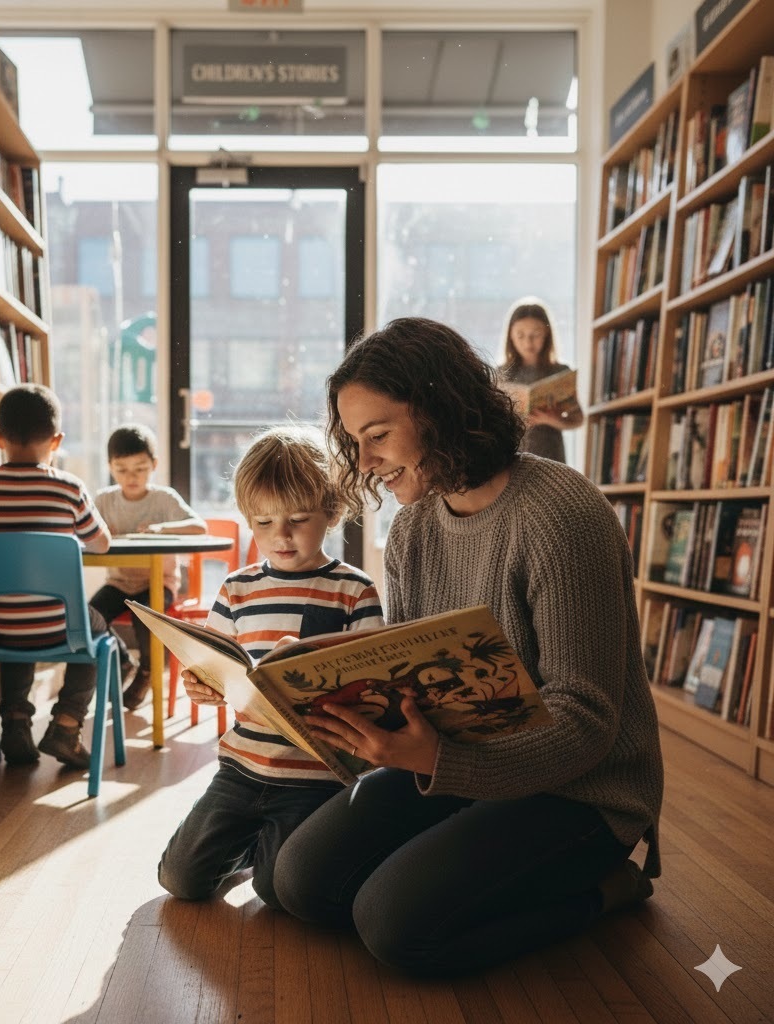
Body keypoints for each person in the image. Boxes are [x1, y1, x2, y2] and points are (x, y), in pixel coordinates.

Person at [272, 317, 663, 976]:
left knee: (392, 927)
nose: (364, 462)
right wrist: (312, 681)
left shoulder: (561, 516)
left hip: (582, 792)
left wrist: (436, 760)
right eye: (354, 441)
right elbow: (418, 670)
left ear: (442, 414)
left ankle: (608, 889)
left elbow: (588, 725)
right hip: (459, 762)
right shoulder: (414, 528)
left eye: (378, 436)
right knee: (300, 883)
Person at [158, 425, 384, 909]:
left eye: (298, 519)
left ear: (332, 511)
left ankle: (262, 853)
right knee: (180, 879)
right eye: (262, 523)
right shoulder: (237, 589)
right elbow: (213, 664)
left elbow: (373, 684)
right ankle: (245, 847)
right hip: (242, 765)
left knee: (275, 891)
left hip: (314, 773)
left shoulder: (353, 589)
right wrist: (199, 685)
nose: (279, 536)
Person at [0, 384, 112, 769]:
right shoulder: (70, 487)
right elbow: (102, 543)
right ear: (56, 440)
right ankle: (66, 726)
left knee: (16, 619)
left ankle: (16, 723)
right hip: (59, 625)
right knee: (99, 632)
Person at [91, 424, 206, 711]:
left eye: (140, 468)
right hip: (118, 583)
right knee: (87, 618)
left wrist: (159, 528)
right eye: (121, 469)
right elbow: (83, 532)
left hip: (158, 582)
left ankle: (146, 672)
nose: (131, 477)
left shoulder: (163, 498)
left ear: (154, 465)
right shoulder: (104, 499)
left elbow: (199, 526)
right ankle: (122, 659)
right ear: (110, 467)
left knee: (147, 617)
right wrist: (101, 533)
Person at [497, 298, 584, 463]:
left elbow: (578, 418)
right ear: (511, 336)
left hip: (551, 453)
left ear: (546, 334)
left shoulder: (560, 373)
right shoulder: (501, 374)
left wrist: (551, 419)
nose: (528, 342)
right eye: (520, 335)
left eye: (535, 334)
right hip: (512, 455)